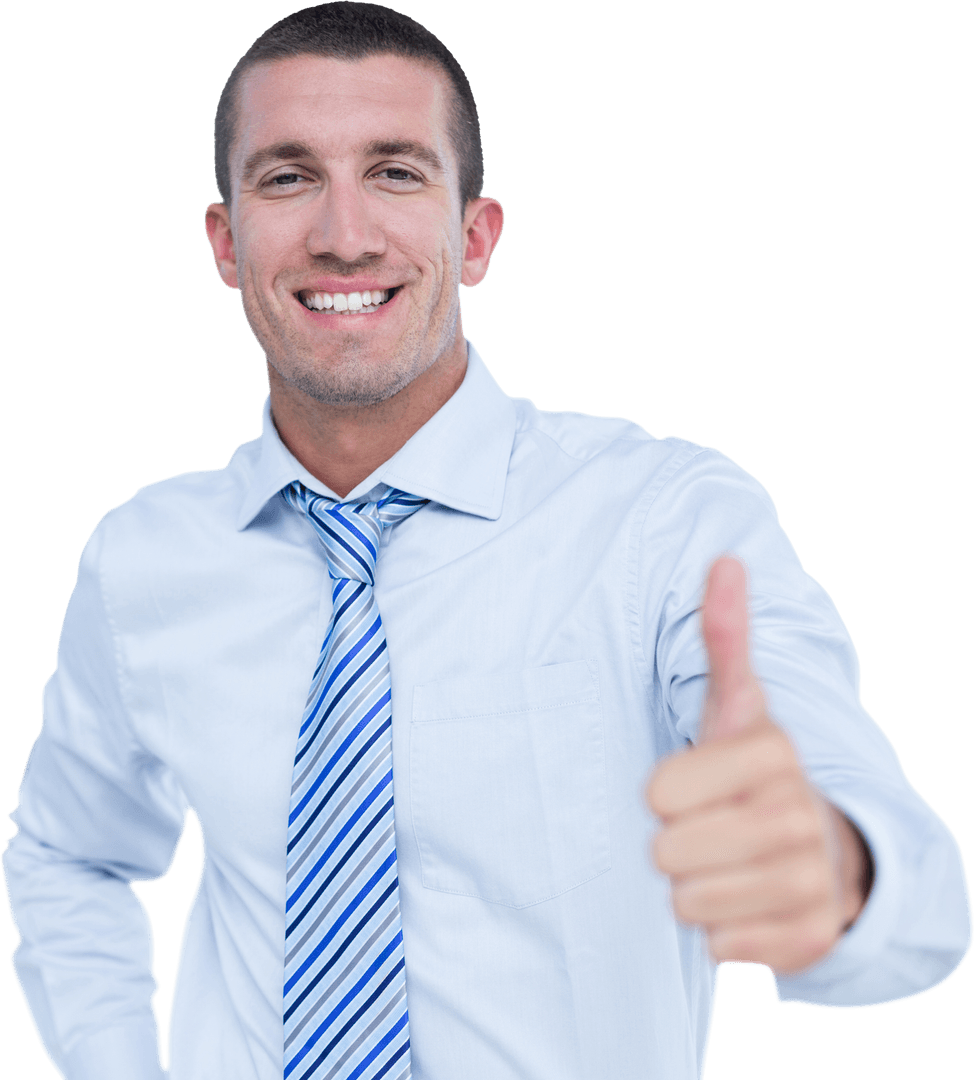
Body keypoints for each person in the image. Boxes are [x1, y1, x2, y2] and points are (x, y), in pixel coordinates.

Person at [2, 4, 971, 1080]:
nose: (344, 233)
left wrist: (836, 872)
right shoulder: (146, 557)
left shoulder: (665, 519)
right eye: (286, 178)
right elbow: (66, 854)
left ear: (475, 238)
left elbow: (915, 894)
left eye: (397, 173)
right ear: (226, 245)